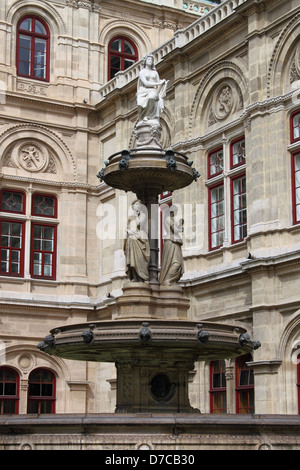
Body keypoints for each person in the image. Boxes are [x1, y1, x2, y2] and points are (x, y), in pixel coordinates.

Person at [136, 54, 168, 124]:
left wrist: (163, 84)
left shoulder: (155, 73)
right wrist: (159, 83)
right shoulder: (142, 72)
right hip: (143, 90)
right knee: (140, 103)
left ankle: (147, 115)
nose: (150, 61)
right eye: (149, 59)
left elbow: (158, 84)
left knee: (151, 97)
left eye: (151, 60)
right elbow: (146, 83)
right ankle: (142, 116)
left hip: (153, 90)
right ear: (145, 61)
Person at [124, 200, 150, 282]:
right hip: (132, 239)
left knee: (140, 258)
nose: (138, 206)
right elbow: (126, 228)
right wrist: (129, 231)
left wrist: (137, 215)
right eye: (136, 204)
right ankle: (135, 277)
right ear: (133, 206)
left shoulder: (143, 215)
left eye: (139, 205)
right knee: (132, 260)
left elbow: (139, 224)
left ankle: (142, 277)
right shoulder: (130, 217)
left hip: (140, 238)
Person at [159, 210, 184, 286]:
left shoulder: (171, 219)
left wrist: (179, 224)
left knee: (177, 263)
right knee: (176, 263)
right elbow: (175, 230)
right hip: (171, 241)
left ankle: (170, 280)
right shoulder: (168, 218)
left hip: (174, 241)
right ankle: (167, 280)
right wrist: (181, 228)